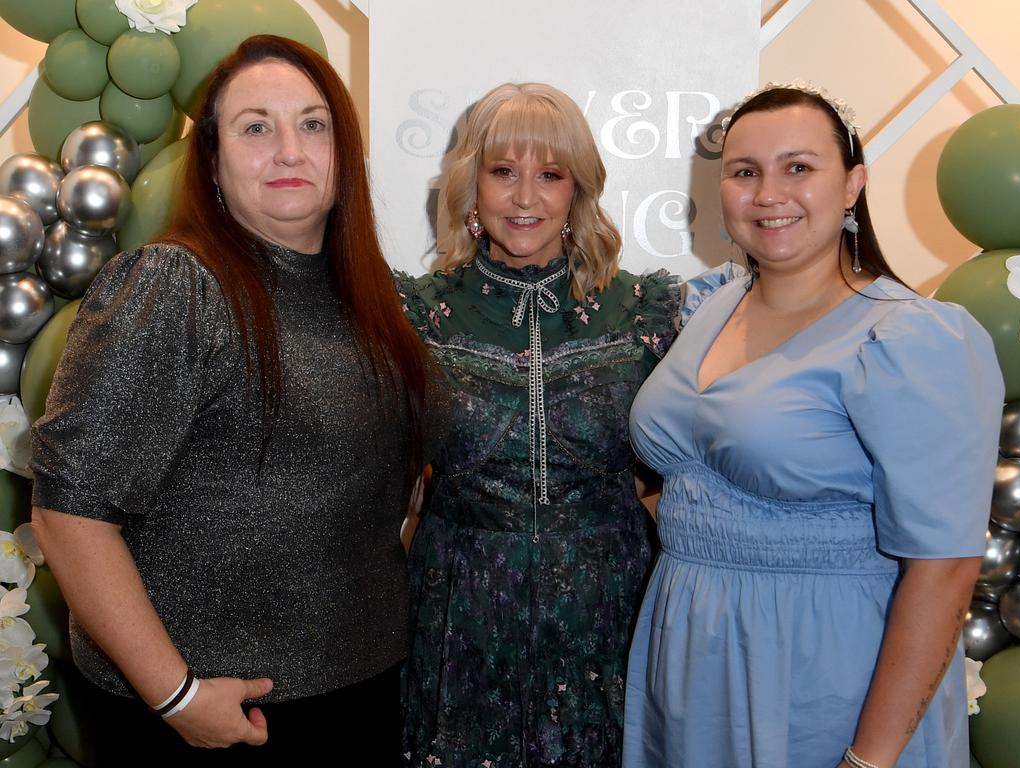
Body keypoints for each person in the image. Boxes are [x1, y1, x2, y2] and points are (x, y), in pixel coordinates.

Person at [30, 35, 434, 764]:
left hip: (361, 694)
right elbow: (69, 514)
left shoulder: (373, 302)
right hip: (213, 720)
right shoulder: (175, 286)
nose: (290, 150)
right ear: (212, 165)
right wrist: (177, 696)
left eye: (314, 125)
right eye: (256, 127)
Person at [623, 83, 1004, 768]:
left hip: (823, 673)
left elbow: (944, 567)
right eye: (745, 172)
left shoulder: (908, 338)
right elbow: (692, 478)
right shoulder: (710, 306)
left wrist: (871, 759)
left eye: (799, 167)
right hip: (689, 663)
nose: (769, 193)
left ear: (853, 183)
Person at [396, 83, 720, 767]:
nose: (524, 198)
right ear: (471, 184)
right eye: (502, 171)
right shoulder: (414, 313)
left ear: (577, 190)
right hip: (460, 608)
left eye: (550, 175)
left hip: (611, 606)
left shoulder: (648, 311)